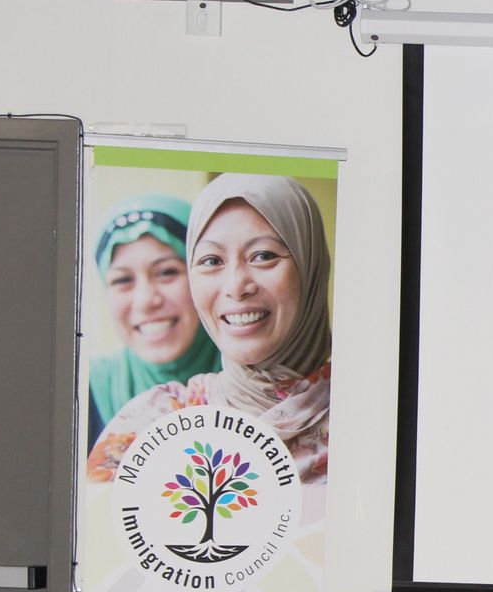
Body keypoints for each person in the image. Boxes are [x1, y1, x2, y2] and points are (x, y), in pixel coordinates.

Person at [87, 174, 333, 483]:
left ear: (310, 267)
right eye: (211, 260)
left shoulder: (377, 410)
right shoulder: (150, 422)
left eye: (264, 256)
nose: (235, 286)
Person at [84, 194, 220, 446]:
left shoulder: (261, 387)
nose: (146, 300)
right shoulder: (83, 389)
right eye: (122, 280)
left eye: (167, 272)